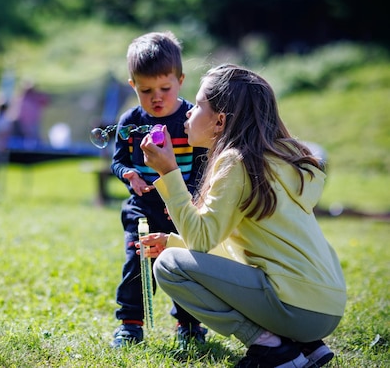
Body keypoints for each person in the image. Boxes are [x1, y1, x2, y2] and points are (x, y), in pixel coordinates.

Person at [139, 64, 346, 367]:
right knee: (175, 255)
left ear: (220, 121)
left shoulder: (235, 162)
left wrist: (168, 172)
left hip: (296, 310)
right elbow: (235, 248)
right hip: (326, 308)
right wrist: (174, 242)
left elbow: (201, 239)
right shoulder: (277, 158)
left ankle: (272, 349)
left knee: (170, 267)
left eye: (197, 105)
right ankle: (304, 347)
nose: (188, 112)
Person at [109, 31, 208, 349]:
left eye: (165, 88)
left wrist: (188, 197)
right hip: (145, 205)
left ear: (180, 80)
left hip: (184, 204)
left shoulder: (192, 119)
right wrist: (130, 176)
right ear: (132, 85)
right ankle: (130, 324)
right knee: (138, 261)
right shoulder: (131, 120)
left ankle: (189, 325)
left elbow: (204, 165)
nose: (157, 97)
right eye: (146, 90)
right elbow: (119, 161)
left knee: (186, 263)